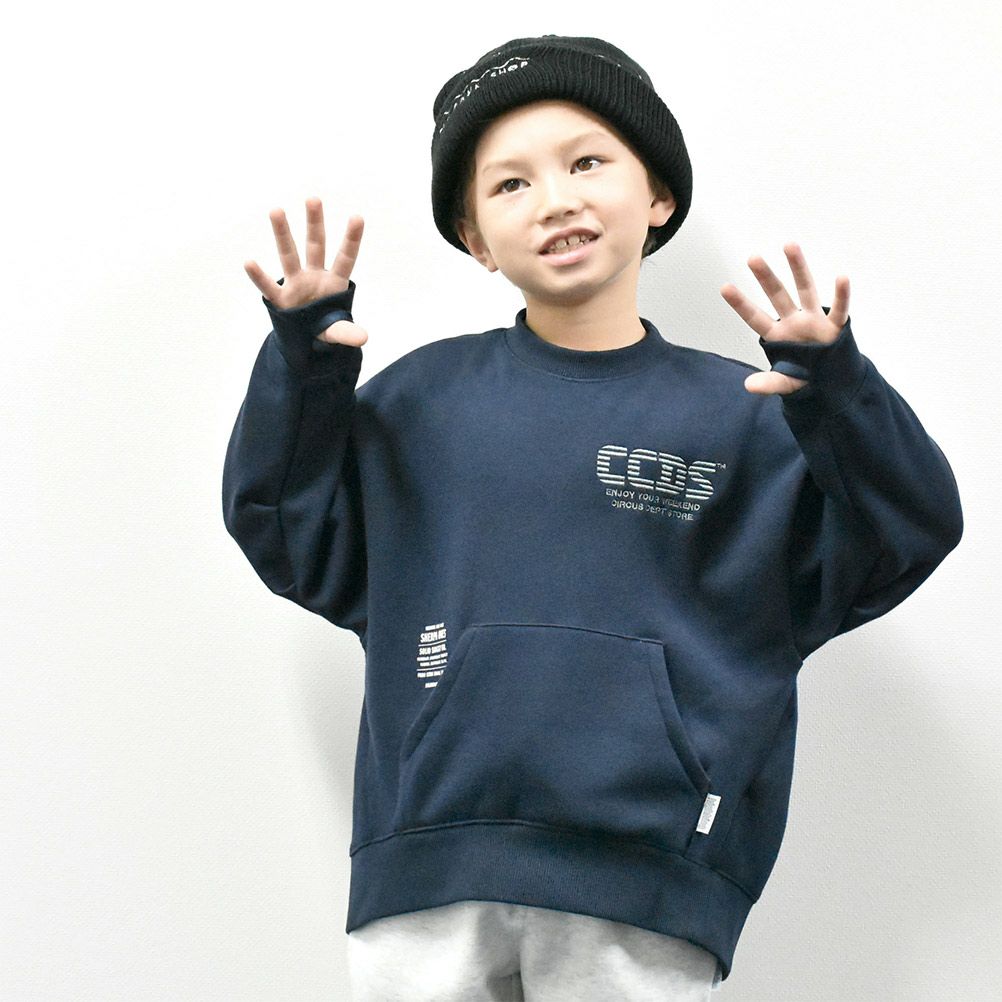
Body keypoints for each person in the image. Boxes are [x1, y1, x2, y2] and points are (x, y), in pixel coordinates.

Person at [222, 34, 963, 1001]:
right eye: (511, 183)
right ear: (475, 239)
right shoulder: (422, 401)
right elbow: (286, 528)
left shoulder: (749, 419)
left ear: (658, 195)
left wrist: (839, 397)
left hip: (648, 880)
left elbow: (907, 532)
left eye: (587, 163)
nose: (556, 199)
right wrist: (305, 367)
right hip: (429, 870)